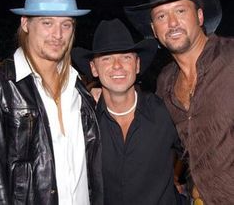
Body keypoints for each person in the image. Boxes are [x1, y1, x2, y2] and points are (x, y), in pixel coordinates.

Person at [125, 0, 234, 205]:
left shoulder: (231, 58)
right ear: (154, 30)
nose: (172, 23)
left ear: (200, 15)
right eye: (162, 16)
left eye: (181, 11)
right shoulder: (165, 83)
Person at [0, 0, 103, 205]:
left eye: (66, 24)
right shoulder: (3, 86)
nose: (58, 35)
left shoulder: (79, 90)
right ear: (25, 24)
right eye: (47, 23)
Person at [71, 18, 183, 205]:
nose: (117, 65)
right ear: (93, 68)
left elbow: (199, 154)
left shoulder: (165, 111)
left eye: (126, 57)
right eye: (106, 58)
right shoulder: (81, 121)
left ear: (137, 65)